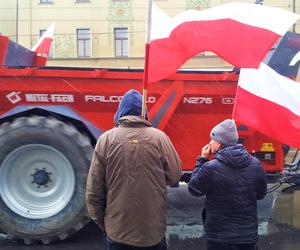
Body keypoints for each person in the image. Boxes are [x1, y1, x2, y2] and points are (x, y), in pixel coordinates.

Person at [86, 89, 182, 250]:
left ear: (120, 112)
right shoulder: (159, 138)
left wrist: (105, 223)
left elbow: (94, 191)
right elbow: (175, 176)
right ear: (143, 113)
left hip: (117, 232)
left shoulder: (106, 140)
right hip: (152, 232)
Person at [188, 119, 267, 250]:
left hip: (220, 236)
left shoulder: (211, 167)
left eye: (211, 139)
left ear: (219, 143)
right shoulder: (255, 164)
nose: (209, 143)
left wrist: (201, 160)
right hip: (247, 236)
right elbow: (260, 194)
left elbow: (194, 189)